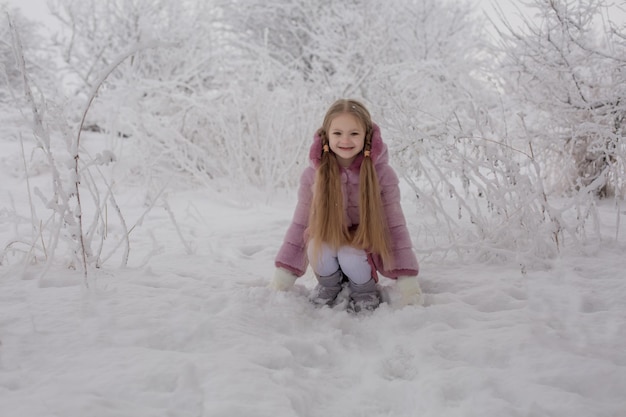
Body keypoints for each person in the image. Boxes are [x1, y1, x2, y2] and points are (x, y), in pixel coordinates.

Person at [270, 99, 422, 312]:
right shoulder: (313, 175)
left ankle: (363, 288)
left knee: (349, 252)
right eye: (338, 133)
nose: (345, 140)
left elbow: (395, 226)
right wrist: (284, 273)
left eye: (354, 133)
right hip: (328, 241)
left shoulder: (382, 175)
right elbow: (300, 223)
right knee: (316, 244)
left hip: (364, 247)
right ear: (327, 136)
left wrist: (407, 279)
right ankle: (330, 285)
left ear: (366, 136)